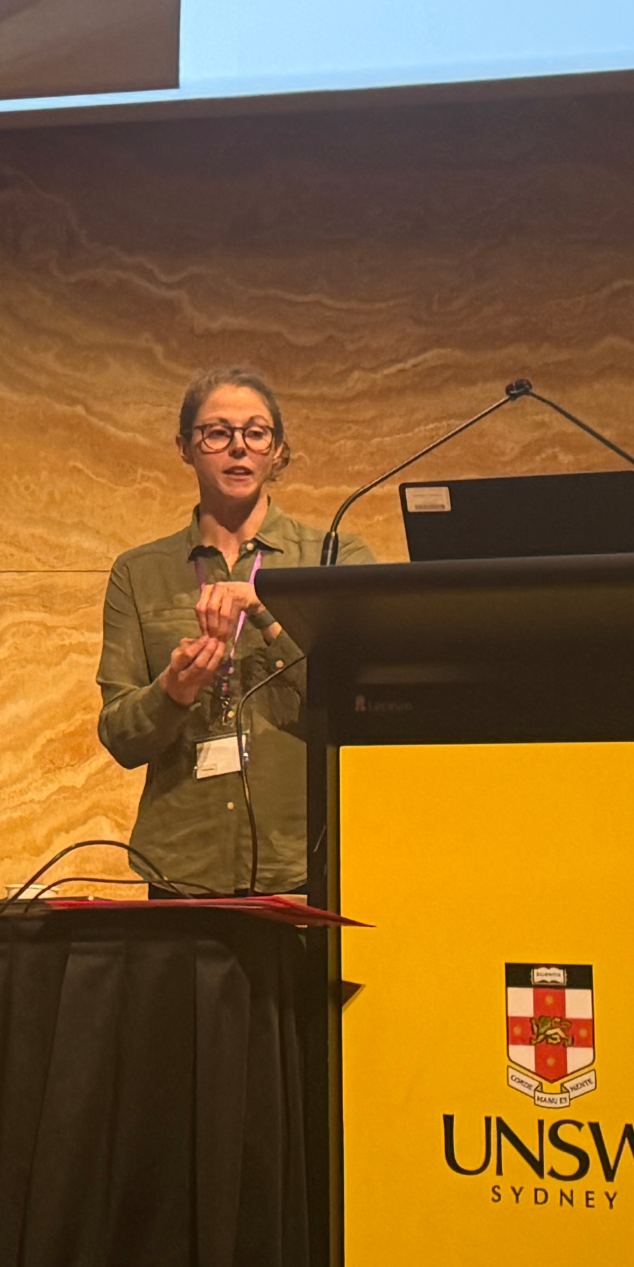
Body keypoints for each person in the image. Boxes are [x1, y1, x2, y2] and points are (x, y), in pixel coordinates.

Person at [96, 368, 374, 896]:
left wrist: (269, 615)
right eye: (217, 433)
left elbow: (362, 704)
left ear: (277, 450)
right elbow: (120, 736)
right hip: (180, 865)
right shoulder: (139, 573)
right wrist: (172, 691)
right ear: (185, 448)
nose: (239, 448)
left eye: (256, 433)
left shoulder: (335, 559)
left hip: (303, 859)